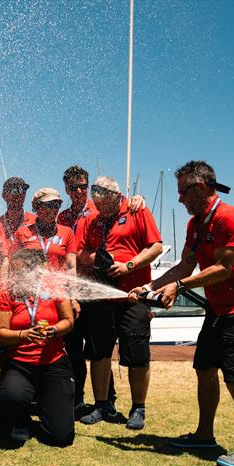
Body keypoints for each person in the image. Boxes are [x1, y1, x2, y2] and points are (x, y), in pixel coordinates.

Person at [131, 160, 234, 466]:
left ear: (202, 188)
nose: (179, 199)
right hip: (218, 309)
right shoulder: (195, 225)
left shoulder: (227, 218)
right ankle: (204, 435)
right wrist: (150, 285)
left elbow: (223, 269)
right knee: (204, 369)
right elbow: (184, 266)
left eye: (183, 192)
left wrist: (178, 287)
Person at [57, 165, 147, 416]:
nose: (78, 191)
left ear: (89, 187)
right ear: (66, 188)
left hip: (103, 288)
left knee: (100, 347)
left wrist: (137, 200)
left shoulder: (99, 207)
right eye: (72, 187)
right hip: (76, 289)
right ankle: (78, 400)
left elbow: (124, 206)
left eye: (82, 186)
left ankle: (107, 402)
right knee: (75, 348)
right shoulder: (61, 217)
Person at [76, 176, 162, 428]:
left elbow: (156, 247)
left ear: (115, 196)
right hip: (103, 295)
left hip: (132, 294)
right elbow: (81, 252)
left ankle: (138, 408)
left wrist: (129, 265)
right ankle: (101, 405)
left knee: (136, 354)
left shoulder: (137, 211)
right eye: (96, 203)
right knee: (99, 352)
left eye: (103, 203)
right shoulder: (93, 220)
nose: (99, 208)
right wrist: (96, 259)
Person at [0, 249, 76, 447]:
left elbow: (69, 321)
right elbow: (0, 332)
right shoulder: (7, 293)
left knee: (60, 437)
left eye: (18, 271)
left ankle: (48, 410)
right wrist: (24, 335)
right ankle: (20, 421)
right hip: (19, 364)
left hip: (53, 362)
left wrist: (54, 330)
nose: (14, 275)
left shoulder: (54, 288)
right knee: (13, 395)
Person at [12, 188, 76, 274]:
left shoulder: (67, 232)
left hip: (58, 286)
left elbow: (71, 268)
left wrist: (72, 286)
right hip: (31, 285)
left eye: (57, 205)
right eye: (49, 205)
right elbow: (13, 265)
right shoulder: (22, 232)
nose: (53, 209)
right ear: (37, 207)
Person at [0, 176, 36, 244]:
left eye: (23, 191)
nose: (19, 195)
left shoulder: (36, 222)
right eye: (14, 191)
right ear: (4, 196)